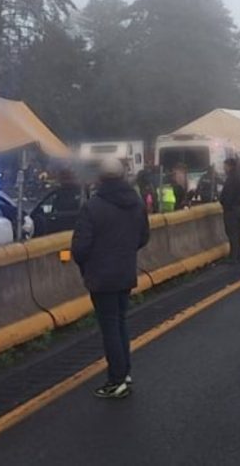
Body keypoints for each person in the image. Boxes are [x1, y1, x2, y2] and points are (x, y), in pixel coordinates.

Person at [73, 158, 150, 399]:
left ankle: (117, 379)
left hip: (101, 275)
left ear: (100, 178)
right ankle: (124, 372)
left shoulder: (92, 206)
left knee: (109, 327)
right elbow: (143, 236)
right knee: (120, 322)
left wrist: (87, 265)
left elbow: (80, 247)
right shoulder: (135, 202)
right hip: (125, 271)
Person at [219, 158, 240, 264]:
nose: (224, 168)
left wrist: (224, 203)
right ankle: (237, 254)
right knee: (237, 232)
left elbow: (228, 194)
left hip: (231, 209)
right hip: (239, 207)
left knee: (232, 233)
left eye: (225, 166)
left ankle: (234, 256)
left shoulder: (232, 178)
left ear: (229, 166)